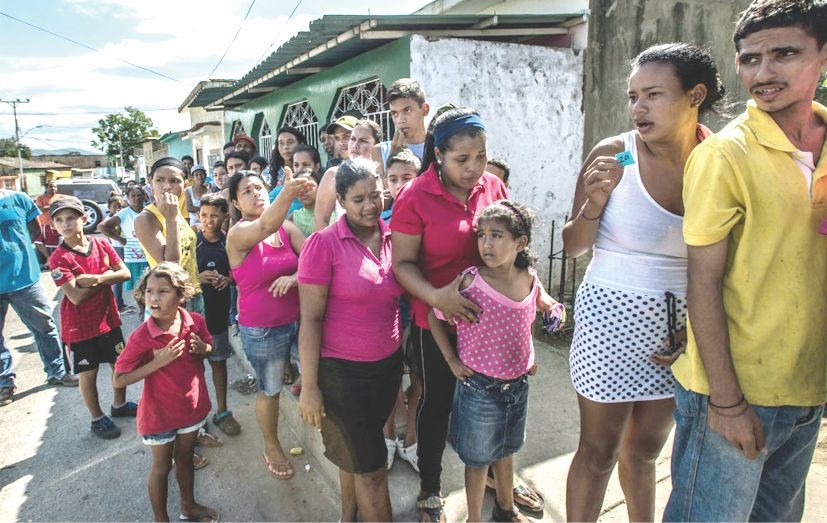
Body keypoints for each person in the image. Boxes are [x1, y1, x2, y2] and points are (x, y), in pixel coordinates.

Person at [663, 2, 827, 520]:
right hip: (735, 392)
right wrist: (728, 402)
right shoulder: (725, 155)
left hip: (806, 386)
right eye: (750, 58)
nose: (764, 72)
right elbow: (702, 282)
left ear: (822, 56)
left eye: (785, 54)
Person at [561, 42, 723, 522]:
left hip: (680, 334)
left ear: (695, 95)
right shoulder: (615, 155)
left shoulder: (718, 161)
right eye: (633, 96)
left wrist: (695, 329)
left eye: (653, 94)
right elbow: (572, 246)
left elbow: (725, 262)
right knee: (597, 453)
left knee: (645, 454)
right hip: (607, 324)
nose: (638, 107)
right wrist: (594, 201)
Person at [390, 107, 511, 522]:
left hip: (488, 323)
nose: (474, 168)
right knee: (437, 404)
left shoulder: (492, 186)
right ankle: (430, 485)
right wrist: (438, 298)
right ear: (439, 154)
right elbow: (402, 265)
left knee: (496, 404)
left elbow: (512, 245)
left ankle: (501, 480)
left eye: (480, 156)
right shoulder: (415, 195)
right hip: (436, 323)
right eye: (463, 159)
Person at [298, 157, 403, 522]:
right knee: (373, 472)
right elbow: (309, 320)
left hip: (386, 369)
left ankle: (348, 517)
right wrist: (309, 386)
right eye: (359, 199)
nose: (371, 205)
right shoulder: (323, 245)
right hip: (342, 377)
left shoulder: (394, 237)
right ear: (340, 200)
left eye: (376, 195)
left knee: (357, 456)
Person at [428, 200, 540, 523]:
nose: (486, 244)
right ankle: (474, 518)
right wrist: (451, 359)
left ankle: (506, 509)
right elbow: (436, 315)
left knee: (506, 451)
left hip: (517, 387)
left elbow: (527, 317)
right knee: (477, 461)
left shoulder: (529, 278)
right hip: (478, 388)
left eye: (496, 236)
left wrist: (530, 353)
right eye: (482, 235)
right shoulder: (470, 282)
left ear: (520, 243)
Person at [112, 263, 219, 523]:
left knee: (185, 459)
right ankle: (162, 519)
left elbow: (211, 349)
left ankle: (189, 506)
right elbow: (119, 380)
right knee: (161, 468)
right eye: (149, 291)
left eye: (163, 291)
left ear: (181, 296)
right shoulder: (141, 336)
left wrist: (202, 348)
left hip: (191, 409)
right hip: (158, 416)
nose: (154, 298)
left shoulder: (195, 322)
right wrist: (156, 363)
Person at [227, 170, 313, 480]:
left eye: (259, 187)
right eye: (246, 191)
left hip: (298, 322)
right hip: (262, 329)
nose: (255, 193)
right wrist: (288, 192)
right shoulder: (239, 234)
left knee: (311, 371)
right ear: (236, 202)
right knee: (271, 389)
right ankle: (271, 444)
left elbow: (312, 255)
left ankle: (301, 380)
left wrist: (294, 277)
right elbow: (265, 224)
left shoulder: (287, 228)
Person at [48, 196, 136, 439]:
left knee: (120, 364)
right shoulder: (58, 258)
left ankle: (119, 405)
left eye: (71, 218)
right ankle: (97, 419)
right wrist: (109, 276)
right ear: (54, 225)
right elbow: (75, 296)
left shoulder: (102, 244)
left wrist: (96, 279)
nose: (66, 224)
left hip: (109, 319)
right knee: (89, 373)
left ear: (83, 219)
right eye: (59, 220)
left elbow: (125, 273)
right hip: (80, 327)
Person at [0, 189, 77, 406]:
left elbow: (34, 230)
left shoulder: (19, 199)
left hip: (24, 279)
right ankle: (4, 382)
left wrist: (16, 252)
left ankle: (57, 372)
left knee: (44, 326)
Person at [196, 193, 242, 436]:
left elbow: (241, 272)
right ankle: (196, 417)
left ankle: (222, 411)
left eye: (214, 215)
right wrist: (197, 277)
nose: (208, 220)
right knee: (193, 368)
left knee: (218, 363)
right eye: (204, 215)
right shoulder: (192, 243)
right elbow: (178, 274)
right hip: (194, 318)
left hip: (217, 317)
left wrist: (229, 279)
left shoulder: (229, 243)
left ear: (225, 217)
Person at [134, 158, 203, 316]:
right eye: (160, 180)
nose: (167, 186)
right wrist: (170, 219)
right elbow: (170, 264)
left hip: (191, 293)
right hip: (166, 298)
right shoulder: (146, 219)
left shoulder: (175, 210)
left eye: (174, 181)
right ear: (151, 182)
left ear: (185, 185)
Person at [98, 186, 150, 317]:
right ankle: (142, 311)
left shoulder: (149, 210)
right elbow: (102, 227)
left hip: (150, 254)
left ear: (144, 196)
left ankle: (151, 311)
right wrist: (120, 239)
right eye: (133, 196)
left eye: (139, 195)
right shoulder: (124, 213)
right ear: (128, 198)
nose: (137, 198)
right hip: (133, 257)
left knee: (151, 286)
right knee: (137, 287)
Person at [373, 78, 430, 178]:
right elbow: (381, 191)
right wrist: (392, 158)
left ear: (425, 109)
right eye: (394, 113)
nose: (400, 120)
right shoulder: (380, 151)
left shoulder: (438, 148)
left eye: (407, 110)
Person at [314, 115, 357, 231]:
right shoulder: (333, 174)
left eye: (347, 137)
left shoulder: (378, 168)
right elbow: (321, 218)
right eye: (337, 138)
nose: (341, 143)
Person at [106, 195, 131, 313]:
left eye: (120, 206)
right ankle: (118, 305)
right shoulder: (109, 221)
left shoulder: (121, 218)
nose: (117, 209)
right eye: (114, 206)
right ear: (109, 207)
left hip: (125, 248)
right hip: (117, 249)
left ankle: (119, 302)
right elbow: (113, 233)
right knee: (119, 277)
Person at [289, 167, 323, 238]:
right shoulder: (293, 218)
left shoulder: (334, 212)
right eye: (300, 187)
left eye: (309, 185)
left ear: (319, 187)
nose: (304, 190)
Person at [185, 165, 210, 229]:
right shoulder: (188, 190)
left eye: (202, 174)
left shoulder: (209, 189)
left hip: (209, 222)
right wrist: (205, 210)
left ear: (205, 176)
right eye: (196, 175)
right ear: (192, 178)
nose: (199, 177)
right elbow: (189, 208)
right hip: (195, 224)